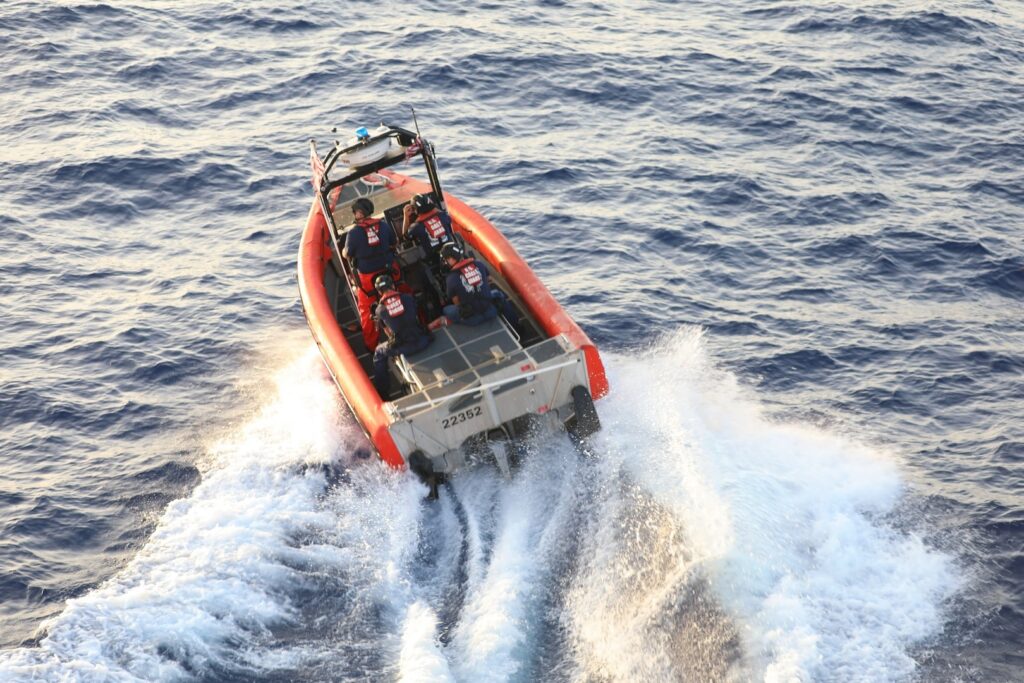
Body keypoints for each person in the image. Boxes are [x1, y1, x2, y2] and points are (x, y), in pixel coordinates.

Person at [342, 197, 398, 351]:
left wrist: (344, 251)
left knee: (366, 311)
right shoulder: (384, 225)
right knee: (402, 293)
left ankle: (372, 346)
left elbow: (348, 254)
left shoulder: (354, 233)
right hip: (390, 272)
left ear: (359, 213)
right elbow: (394, 243)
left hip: (368, 280)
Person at [372, 273, 432, 397]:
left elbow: (389, 333)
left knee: (379, 352)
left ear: (379, 291)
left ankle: (382, 391)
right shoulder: (408, 298)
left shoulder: (379, 310)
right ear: (393, 286)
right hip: (423, 340)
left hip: (405, 348)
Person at [433, 243, 499, 327]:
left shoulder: (451, 278)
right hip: (491, 311)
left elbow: (457, 303)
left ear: (451, 259)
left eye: (446, 259)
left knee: (446, 309)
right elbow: (489, 280)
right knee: (497, 293)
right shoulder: (479, 264)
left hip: (473, 319)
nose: (445, 262)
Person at [402, 193, 454, 267]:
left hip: (434, 259)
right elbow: (447, 217)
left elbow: (405, 237)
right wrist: (433, 208)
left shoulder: (416, 227)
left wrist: (406, 215)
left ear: (415, 209)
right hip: (452, 251)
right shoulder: (443, 216)